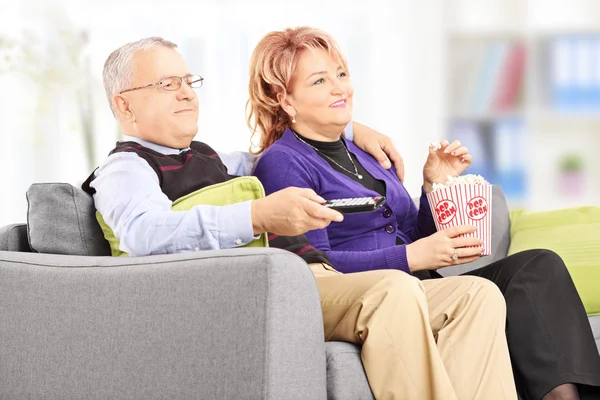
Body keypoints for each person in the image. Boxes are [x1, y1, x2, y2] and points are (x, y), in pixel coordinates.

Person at [82, 37, 517, 400]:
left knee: (475, 296)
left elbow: (282, 151)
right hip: (246, 297)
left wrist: (349, 129)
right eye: (166, 83)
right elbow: (143, 234)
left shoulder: (212, 159)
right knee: (395, 290)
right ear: (125, 106)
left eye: (188, 80)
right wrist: (256, 216)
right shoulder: (126, 168)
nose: (186, 92)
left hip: (294, 284)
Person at [248, 26, 600, 400]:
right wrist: (410, 256)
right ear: (285, 100)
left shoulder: (367, 153)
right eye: (320, 81)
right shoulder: (283, 163)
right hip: (382, 289)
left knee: (538, 266)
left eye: (342, 74)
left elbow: (411, 234)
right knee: (479, 294)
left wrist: (432, 187)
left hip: (421, 281)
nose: (340, 88)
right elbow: (315, 271)